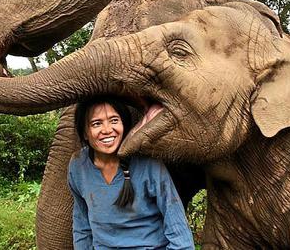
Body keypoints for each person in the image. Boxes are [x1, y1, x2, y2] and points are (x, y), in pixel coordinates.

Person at [68, 96, 195, 250]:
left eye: (114, 120)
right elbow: (82, 225)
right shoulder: (78, 165)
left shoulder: (148, 164)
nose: (107, 130)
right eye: (96, 123)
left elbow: (177, 226)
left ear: (124, 125)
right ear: (85, 133)